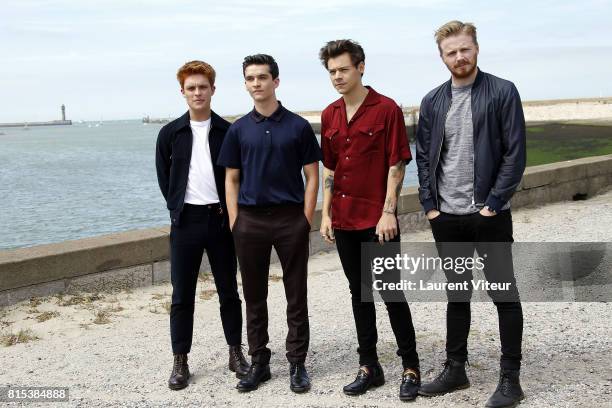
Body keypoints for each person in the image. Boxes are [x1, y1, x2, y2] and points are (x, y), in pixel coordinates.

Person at [415, 21, 526, 408]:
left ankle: (510, 378)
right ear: (442, 57)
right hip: (447, 216)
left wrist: (493, 203)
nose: (459, 57)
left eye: (465, 49)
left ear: (476, 49)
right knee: (456, 294)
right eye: (451, 52)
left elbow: (515, 154)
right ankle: (455, 369)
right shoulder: (432, 100)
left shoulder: (502, 91)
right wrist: (430, 206)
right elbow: (425, 156)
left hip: (490, 214)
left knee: (503, 295)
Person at [318, 39, 421, 401]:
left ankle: (410, 366)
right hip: (343, 219)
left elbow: (398, 163)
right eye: (331, 71)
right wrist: (326, 213)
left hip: (378, 220)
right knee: (359, 294)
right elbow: (329, 166)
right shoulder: (330, 114)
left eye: (343, 69)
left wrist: (388, 211)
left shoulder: (386, 109)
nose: (337, 76)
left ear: (360, 67)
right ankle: (369, 366)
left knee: (392, 292)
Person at [217, 54, 321, 393]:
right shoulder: (238, 129)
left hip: (290, 219)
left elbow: (311, 175)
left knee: (296, 294)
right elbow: (231, 180)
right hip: (249, 222)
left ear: (276, 81)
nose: (256, 83)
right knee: (254, 295)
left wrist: (306, 219)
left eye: (263, 77)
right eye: (250, 78)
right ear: (246, 84)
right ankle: (259, 362)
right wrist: (235, 221)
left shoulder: (298, 126)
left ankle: (297, 363)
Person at [155, 60, 249, 391]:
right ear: (183, 92)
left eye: (202, 87)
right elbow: (165, 181)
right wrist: (178, 208)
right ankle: (180, 360)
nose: (197, 92)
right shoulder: (170, 134)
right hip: (186, 223)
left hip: (221, 221)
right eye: (191, 87)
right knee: (182, 295)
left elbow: (238, 177)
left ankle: (236, 353)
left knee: (229, 292)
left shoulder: (228, 132)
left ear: (213, 90)